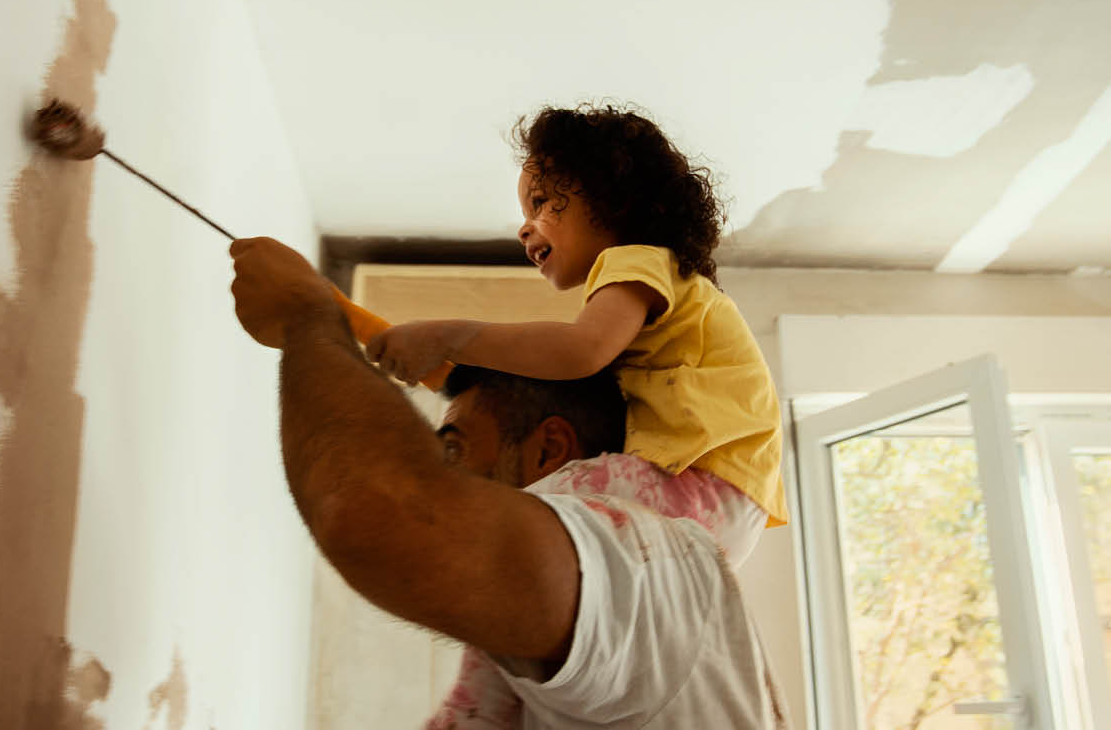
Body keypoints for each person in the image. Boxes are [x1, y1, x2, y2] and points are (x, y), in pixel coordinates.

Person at [228, 238, 788, 728]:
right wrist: (340, 317)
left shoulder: (649, 569)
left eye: (454, 449)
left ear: (550, 449)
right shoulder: (599, 590)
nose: (443, 474)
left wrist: (309, 316)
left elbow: (377, 515)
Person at [364, 105, 790, 539]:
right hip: (724, 502)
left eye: (541, 203)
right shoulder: (660, 287)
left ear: (611, 199)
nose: (524, 229)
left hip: (706, 487)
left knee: (528, 512)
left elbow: (579, 350)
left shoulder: (636, 261)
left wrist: (448, 338)